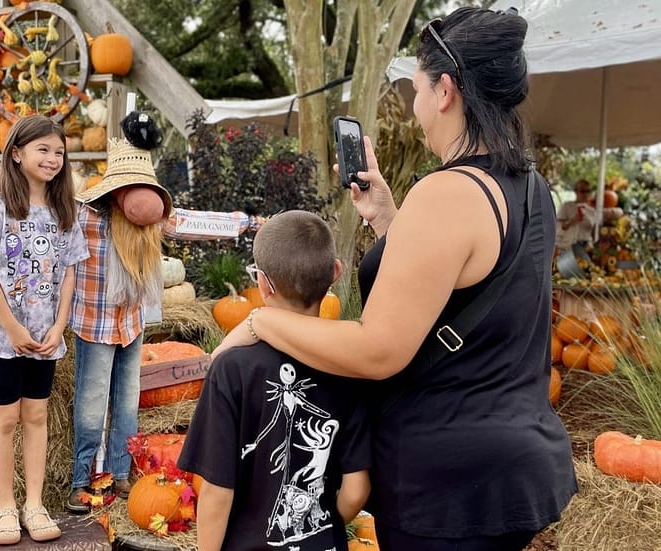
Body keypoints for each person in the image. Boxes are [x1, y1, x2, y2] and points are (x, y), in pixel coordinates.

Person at [213, 7, 577, 551]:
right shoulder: (531, 188)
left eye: (418, 88)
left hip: (443, 482)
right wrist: (388, 218)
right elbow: (465, 286)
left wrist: (264, 322)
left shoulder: (446, 192)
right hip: (514, 467)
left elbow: (380, 349)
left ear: (446, 90)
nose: (416, 104)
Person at [178, 210, 372, 551]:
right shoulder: (349, 366)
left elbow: (216, 492)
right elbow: (356, 490)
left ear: (263, 284)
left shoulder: (231, 369)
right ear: (335, 273)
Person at [0, 115, 89, 545]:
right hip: (2, 336)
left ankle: (34, 503)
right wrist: (11, 326)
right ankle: (4, 505)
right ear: (17, 153)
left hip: (45, 336)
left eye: (59, 152)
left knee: (36, 415)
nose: (53, 158)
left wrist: (60, 327)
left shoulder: (65, 210)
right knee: (4, 418)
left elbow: (70, 274)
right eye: (43, 149)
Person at [65, 111, 174, 513]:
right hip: (94, 327)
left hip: (131, 325)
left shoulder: (150, 227)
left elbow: (200, 223)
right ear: (114, 192)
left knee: (127, 404)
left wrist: (251, 223)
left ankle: (120, 472)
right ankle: (80, 480)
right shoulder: (85, 218)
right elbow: (34, 220)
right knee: (92, 409)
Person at [556, 178, 598, 251]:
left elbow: (594, 234)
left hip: (585, 246)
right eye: (582, 191)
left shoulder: (592, 211)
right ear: (576, 191)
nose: (585, 194)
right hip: (567, 246)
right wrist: (572, 220)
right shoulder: (567, 206)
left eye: (588, 191)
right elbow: (559, 228)